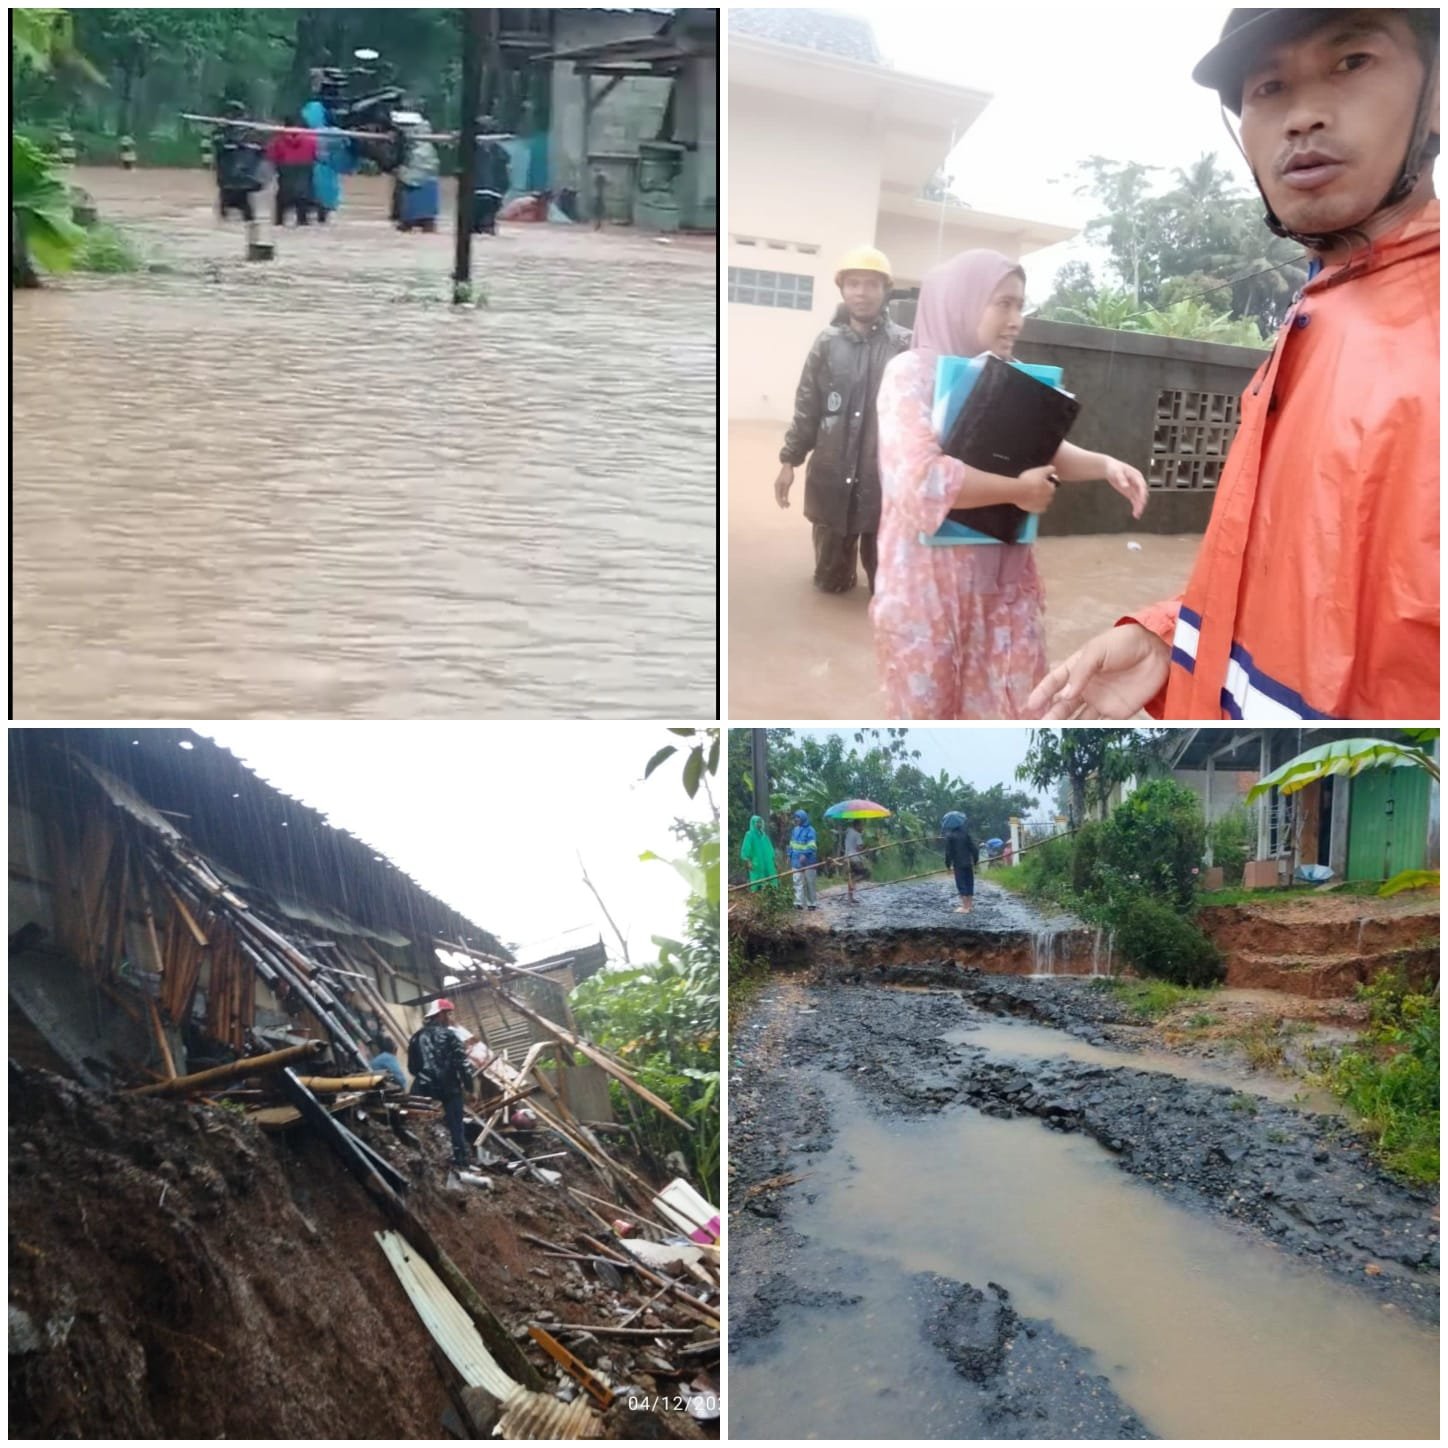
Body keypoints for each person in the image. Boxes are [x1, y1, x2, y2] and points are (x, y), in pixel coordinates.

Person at [1029, 8, 1440, 722]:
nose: (1303, 116)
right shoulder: (1318, 312)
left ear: (1433, 96)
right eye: (1268, 89)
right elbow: (1303, 597)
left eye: (1352, 63)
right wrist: (1171, 643)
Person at [871, 250, 1148, 719]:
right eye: (1002, 304)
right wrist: (1018, 492)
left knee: (1019, 713)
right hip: (927, 599)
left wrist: (1106, 465)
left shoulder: (1010, 375)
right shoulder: (911, 375)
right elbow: (919, 480)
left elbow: (1044, 449)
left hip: (1002, 595)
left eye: (1021, 306)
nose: (1015, 320)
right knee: (928, 717)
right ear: (963, 301)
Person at [775, 247, 911, 595]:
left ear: (885, 291)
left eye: (870, 284)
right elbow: (808, 407)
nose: (861, 293)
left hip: (883, 481)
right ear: (842, 289)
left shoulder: (905, 346)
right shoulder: (826, 343)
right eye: (853, 284)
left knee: (890, 593)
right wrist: (790, 461)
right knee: (829, 586)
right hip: (832, 474)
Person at [407, 998, 473, 1168]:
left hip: (423, 1086)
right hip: (449, 1085)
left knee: (418, 1123)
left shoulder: (416, 1037)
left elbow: (412, 1068)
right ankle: (461, 1161)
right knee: (456, 1125)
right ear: (441, 1014)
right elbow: (463, 1064)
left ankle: (423, 1160)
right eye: (448, 1014)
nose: (450, 1018)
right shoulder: (451, 1035)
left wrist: (424, 1076)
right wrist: (469, 1087)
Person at [214, 100, 264, 222]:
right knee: (239, 213)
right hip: (231, 180)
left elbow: (260, 152)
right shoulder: (222, 133)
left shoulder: (250, 132)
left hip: (239, 181)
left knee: (244, 213)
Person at [300, 92, 346, 222]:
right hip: (323, 167)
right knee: (323, 204)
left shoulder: (301, 130)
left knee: (306, 203)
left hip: (308, 168)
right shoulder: (332, 132)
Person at [267, 115, 319, 226]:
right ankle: (303, 221)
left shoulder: (278, 141)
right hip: (304, 189)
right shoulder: (312, 140)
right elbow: (317, 156)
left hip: (285, 186)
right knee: (303, 222)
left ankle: (278, 222)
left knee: (279, 218)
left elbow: (271, 157)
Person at [394, 116, 441, 233]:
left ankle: (410, 222)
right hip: (426, 179)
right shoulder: (427, 144)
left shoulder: (414, 143)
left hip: (415, 179)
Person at [473, 114, 511, 236]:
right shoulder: (498, 151)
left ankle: (486, 226)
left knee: (483, 224)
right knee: (481, 224)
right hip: (480, 193)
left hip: (487, 193)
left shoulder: (498, 152)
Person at [942, 811, 978, 915]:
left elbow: (948, 853)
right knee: (969, 882)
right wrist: (975, 860)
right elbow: (974, 848)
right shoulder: (966, 834)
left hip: (958, 864)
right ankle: (970, 906)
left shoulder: (950, 836)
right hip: (968, 863)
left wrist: (948, 865)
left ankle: (965, 907)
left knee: (961, 884)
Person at [788, 809, 820, 910]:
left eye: (798, 817)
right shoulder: (795, 830)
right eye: (795, 817)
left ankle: (812, 903)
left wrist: (805, 854)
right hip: (796, 860)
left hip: (809, 861)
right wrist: (789, 855)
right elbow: (792, 843)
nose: (796, 819)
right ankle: (798, 903)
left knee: (810, 882)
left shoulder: (811, 830)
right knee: (797, 881)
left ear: (803, 818)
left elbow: (812, 845)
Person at [740, 814, 777, 892]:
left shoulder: (764, 835)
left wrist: (773, 859)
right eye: (757, 822)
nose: (759, 824)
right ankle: (756, 896)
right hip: (756, 862)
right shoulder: (749, 835)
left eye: (760, 822)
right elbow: (746, 849)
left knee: (769, 879)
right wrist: (748, 861)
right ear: (753, 823)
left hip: (767, 862)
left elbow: (770, 848)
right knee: (757, 881)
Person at [842, 820, 866, 904]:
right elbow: (859, 847)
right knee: (863, 874)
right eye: (861, 826)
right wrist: (863, 847)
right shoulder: (857, 834)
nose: (862, 828)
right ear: (857, 826)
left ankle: (850, 897)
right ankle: (853, 884)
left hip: (846, 857)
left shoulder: (848, 832)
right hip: (854, 858)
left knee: (850, 876)